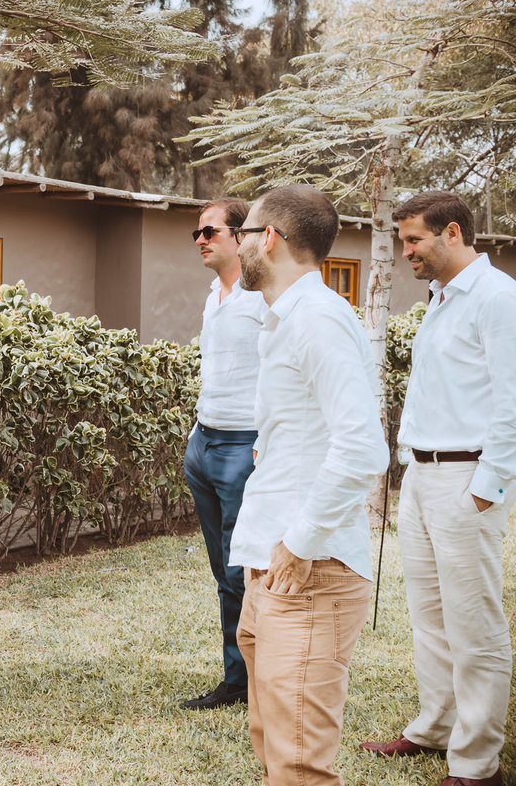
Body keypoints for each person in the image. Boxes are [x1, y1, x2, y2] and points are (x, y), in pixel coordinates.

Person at [229, 185, 388, 786]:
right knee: (273, 742)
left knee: (298, 763)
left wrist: (298, 542)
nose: (239, 243)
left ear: (267, 239)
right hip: (274, 560)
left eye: (244, 232)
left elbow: (363, 447)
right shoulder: (286, 320)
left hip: (310, 568)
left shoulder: (318, 321)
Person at [360, 191, 516, 786]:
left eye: (414, 240)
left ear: (452, 232)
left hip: (466, 479)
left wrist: (487, 487)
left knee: (474, 624)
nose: (406, 252)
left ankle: (478, 766)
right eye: (403, 241)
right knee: (430, 618)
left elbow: (511, 402)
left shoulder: (498, 298)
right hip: (422, 478)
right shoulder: (441, 299)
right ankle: (436, 727)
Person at [180, 196, 264, 711]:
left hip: (244, 446)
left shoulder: (264, 298)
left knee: (244, 568)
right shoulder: (214, 295)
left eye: (210, 231)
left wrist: (264, 443)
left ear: (241, 236)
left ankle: (258, 677)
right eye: (197, 233)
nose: (201, 240)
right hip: (205, 443)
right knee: (221, 568)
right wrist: (196, 435)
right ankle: (238, 678)